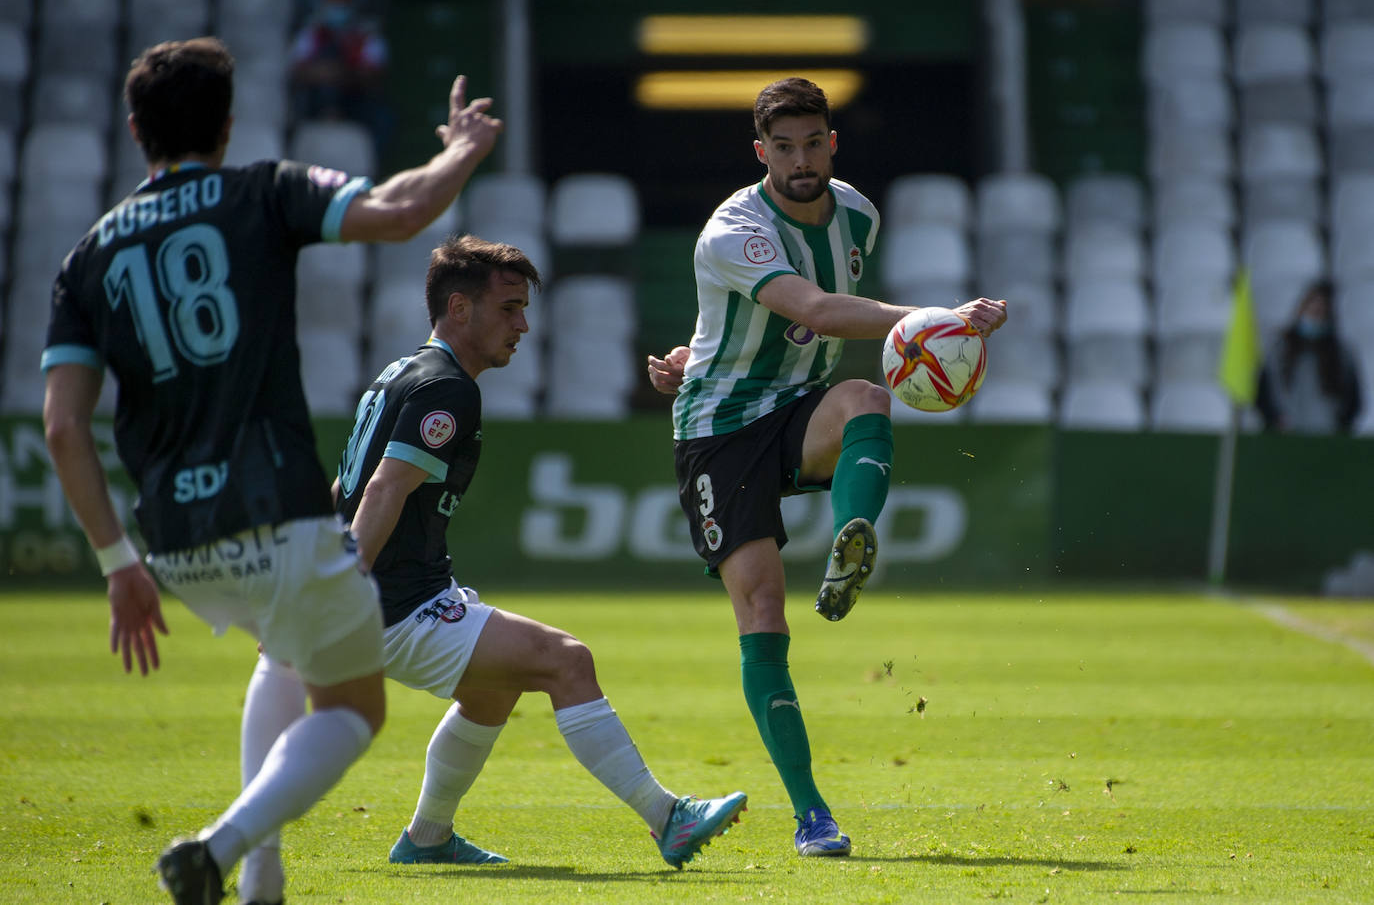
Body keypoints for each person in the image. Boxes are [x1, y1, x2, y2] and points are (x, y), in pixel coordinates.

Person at [41, 36, 503, 905]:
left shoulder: (87, 256)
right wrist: (464, 149)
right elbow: (402, 212)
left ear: (134, 127)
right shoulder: (262, 191)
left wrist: (116, 564)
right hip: (278, 512)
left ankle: (263, 883)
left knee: (282, 658)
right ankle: (221, 848)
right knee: (352, 710)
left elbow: (64, 426)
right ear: (227, 124)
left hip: (174, 542)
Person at [235, 235, 746, 890]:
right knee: (569, 660)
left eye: (524, 308)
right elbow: (386, 488)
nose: (524, 325)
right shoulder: (448, 389)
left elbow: (349, 486)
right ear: (459, 309)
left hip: (397, 593)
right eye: (508, 308)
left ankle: (427, 838)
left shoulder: (401, 373)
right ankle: (666, 816)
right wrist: (344, 583)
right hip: (393, 603)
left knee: (491, 690)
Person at [645, 77, 1006, 858]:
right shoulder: (733, 228)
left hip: (798, 408)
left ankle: (852, 539)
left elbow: (787, 323)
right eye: (784, 148)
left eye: (813, 144)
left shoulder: (858, 214)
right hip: (716, 431)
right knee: (764, 616)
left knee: (868, 395)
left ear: (832, 143)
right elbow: (809, 309)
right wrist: (933, 320)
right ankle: (813, 816)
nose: (800, 160)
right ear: (760, 152)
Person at [288, 0, 393, 155]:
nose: (338, 6)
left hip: (355, 104)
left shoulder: (366, 35)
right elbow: (298, 72)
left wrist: (340, 73)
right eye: (334, 0)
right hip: (315, 105)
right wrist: (330, 72)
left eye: (343, 0)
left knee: (382, 116)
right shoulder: (312, 33)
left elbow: (372, 76)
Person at [1256, 280, 1363, 434]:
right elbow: (1263, 394)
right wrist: (1274, 419)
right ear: (1302, 309)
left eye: (1321, 312)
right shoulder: (1279, 350)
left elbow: (1353, 401)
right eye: (1312, 309)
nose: (1316, 314)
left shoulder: (1341, 353)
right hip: (1285, 435)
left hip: (1327, 437)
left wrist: (1340, 425)